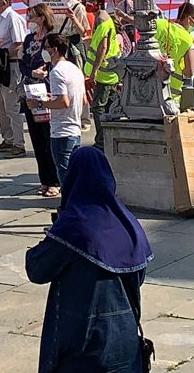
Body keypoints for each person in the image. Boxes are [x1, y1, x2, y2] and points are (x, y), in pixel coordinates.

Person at [24, 146, 153, 373]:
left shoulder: (74, 227)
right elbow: (138, 277)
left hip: (82, 341)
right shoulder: (129, 224)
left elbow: (37, 269)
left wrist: (55, 231)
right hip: (125, 338)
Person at [30, 33, 87, 188]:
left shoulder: (57, 72)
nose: (44, 51)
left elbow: (63, 102)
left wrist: (40, 103)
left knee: (65, 174)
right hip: (75, 128)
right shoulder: (74, 68)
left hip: (61, 130)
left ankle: (70, 205)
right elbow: (83, 99)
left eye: (46, 47)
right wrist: (51, 98)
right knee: (74, 173)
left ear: (54, 50)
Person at [21, 5, 61, 197]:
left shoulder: (51, 39)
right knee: (36, 138)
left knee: (47, 136)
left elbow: (59, 61)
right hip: (30, 90)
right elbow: (22, 63)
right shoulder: (29, 39)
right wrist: (30, 72)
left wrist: (44, 73)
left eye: (32, 16)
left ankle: (54, 180)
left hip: (46, 90)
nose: (29, 19)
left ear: (42, 18)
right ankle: (44, 179)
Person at [76, 0, 122, 145]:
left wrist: (94, 72)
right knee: (110, 106)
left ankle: (102, 141)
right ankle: (109, 138)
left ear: (99, 2)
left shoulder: (102, 20)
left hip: (104, 73)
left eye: (92, 0)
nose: (89, 3)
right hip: (107, 72)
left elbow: (103, 48)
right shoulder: (98, 18)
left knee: (98, 107)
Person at [0, 0, 28, 157]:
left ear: (4, 1)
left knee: (12, 105)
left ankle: (19, 143)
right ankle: (8, 138)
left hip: (10, 65)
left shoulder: (13, 18)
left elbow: (18, 43)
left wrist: (2, 54)